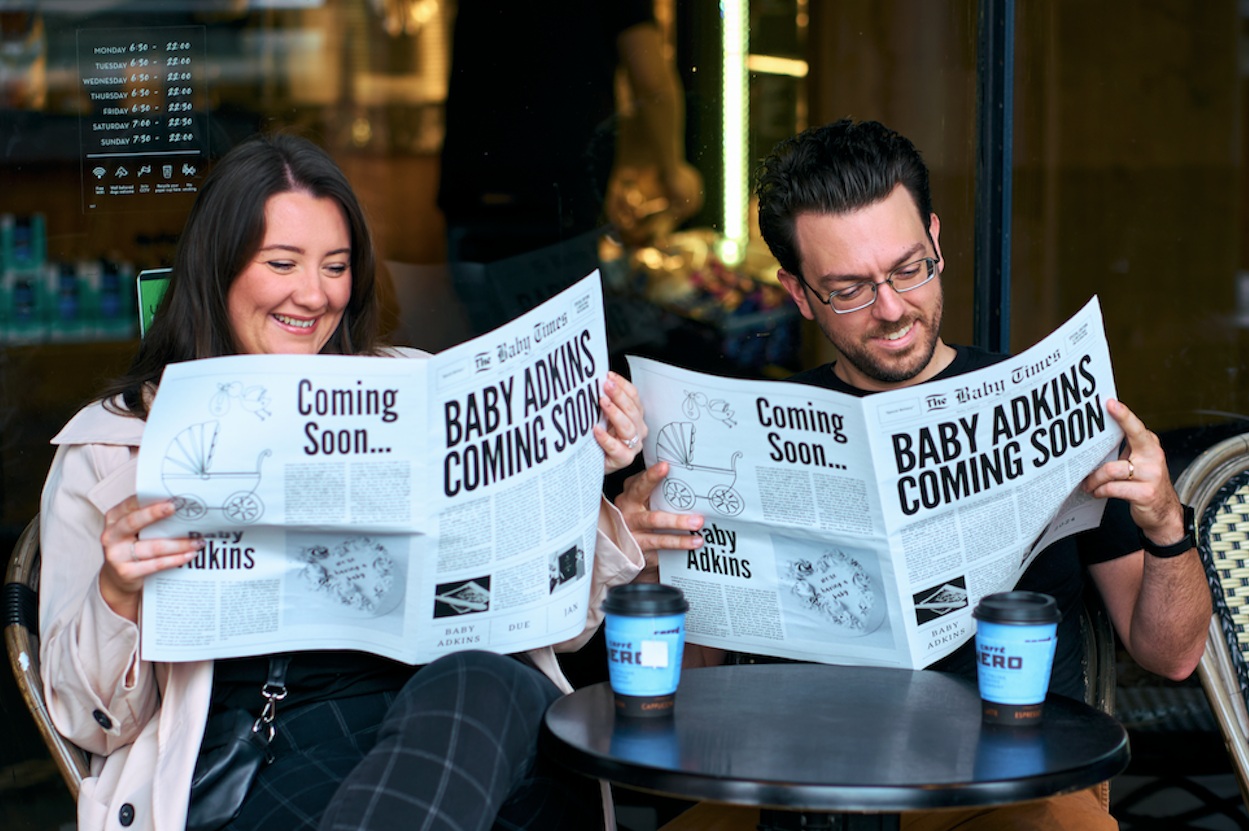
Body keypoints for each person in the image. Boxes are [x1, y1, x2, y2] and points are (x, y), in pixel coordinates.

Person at [39, 133, 649, 831]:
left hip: (470, 735)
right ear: (217, 270)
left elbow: (557, 629)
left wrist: (572, 472)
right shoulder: (110, 447)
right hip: (273, 761)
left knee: (488, 680)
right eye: (281, 263)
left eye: (336, 265)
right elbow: (88, 723)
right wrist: (116, 592)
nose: (314, 294)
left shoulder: (414, 390)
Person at [617, 119, 1212, 830]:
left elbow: (1171, 656)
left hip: (1009, 789)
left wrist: (1164, 524)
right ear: (799, 292)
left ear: (934, 239)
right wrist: (642, 564)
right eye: (848, 289)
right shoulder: (736, 429)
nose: (892, 309)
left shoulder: (1052, 405)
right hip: (793, 787)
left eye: (907, 269)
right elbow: (687, 692)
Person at [438, 1, 703, 332]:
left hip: (472, 199)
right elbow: (651, 83)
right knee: (559, 361)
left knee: (487, 357)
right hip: (554, 208)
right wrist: (673, 169)